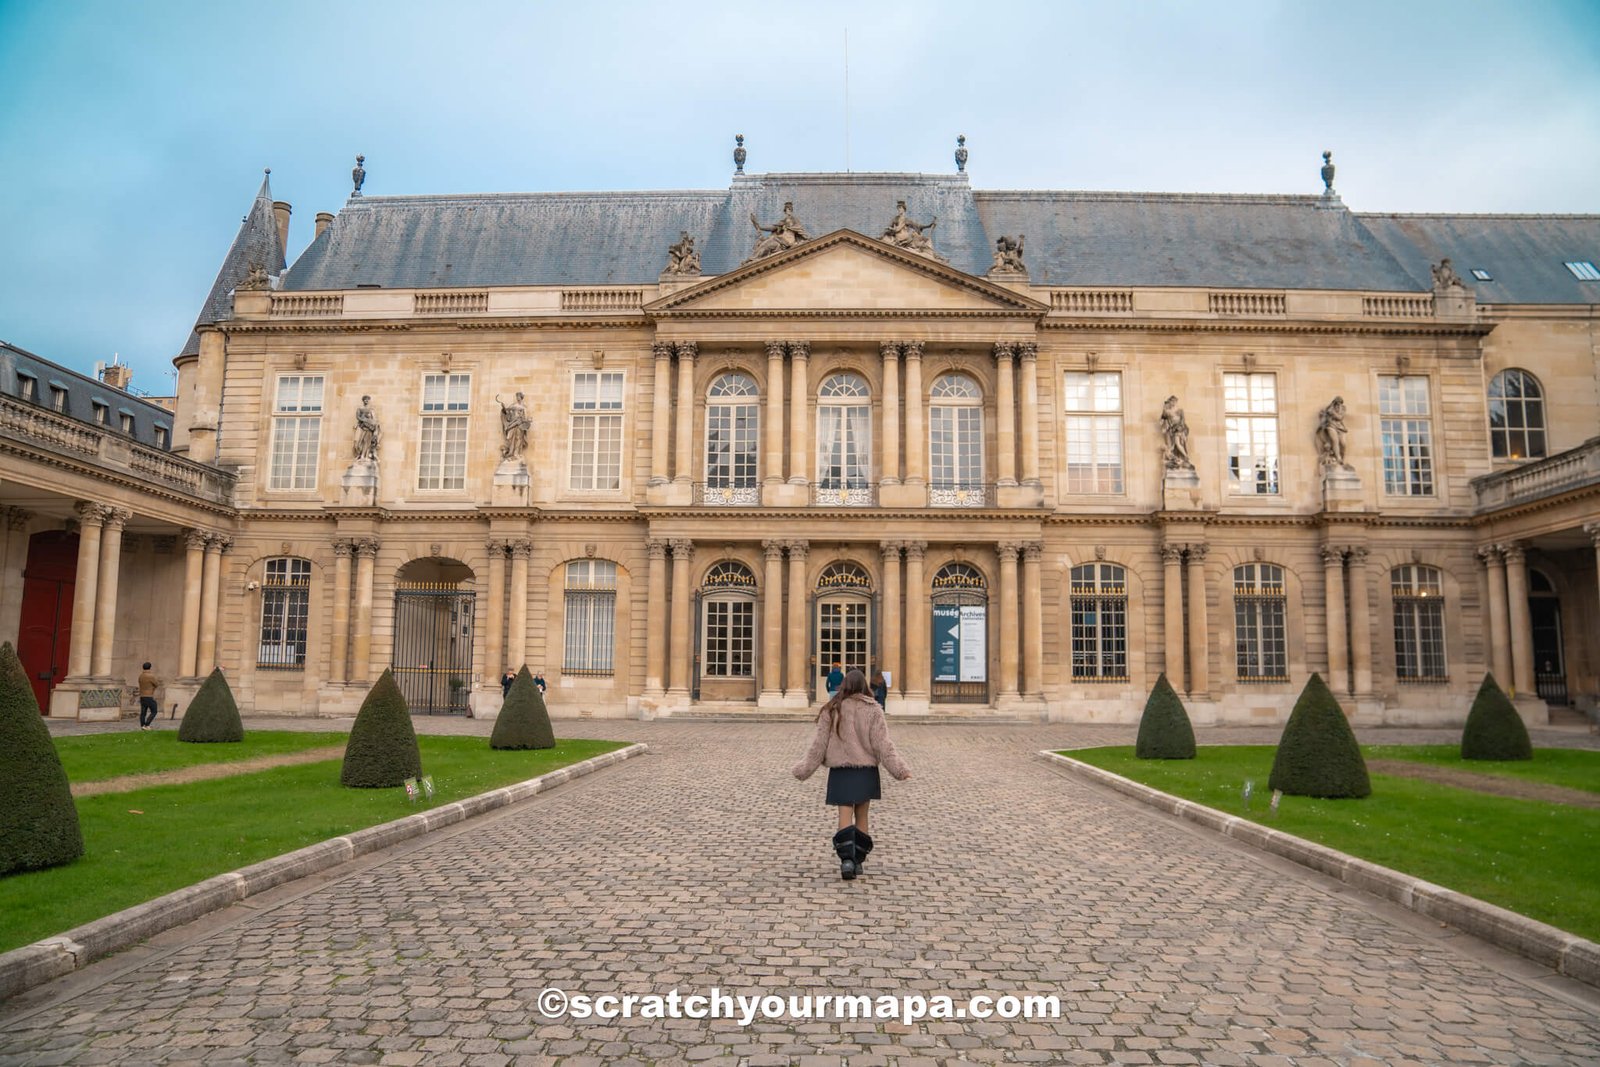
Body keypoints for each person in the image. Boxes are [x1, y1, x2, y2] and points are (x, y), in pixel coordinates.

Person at [792, 668, 912, 880]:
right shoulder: (874, 710)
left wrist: (802, 770)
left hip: (841, 771)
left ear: (844, 685)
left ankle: (846, 859)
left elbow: (818, 746)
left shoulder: (832, 709)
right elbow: (884, 746)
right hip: (866, 771)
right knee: (862, 815)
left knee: (844, 814)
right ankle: (858, 861)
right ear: (864, 685)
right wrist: (900, 770)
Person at [137, 661, 161, 730]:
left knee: (143, 713)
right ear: (150, 668)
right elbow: (156, 684)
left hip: (142, 696)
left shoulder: (141, 676)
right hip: (149, 696)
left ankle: (142, 726)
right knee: (154, 711)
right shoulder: (150, 676)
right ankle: (147, 725)